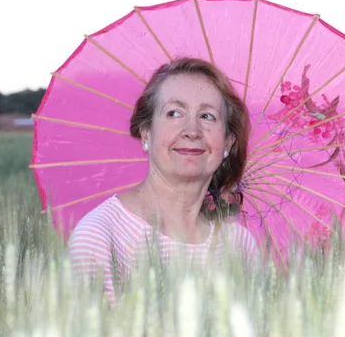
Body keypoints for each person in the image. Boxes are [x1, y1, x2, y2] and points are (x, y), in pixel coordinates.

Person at [67, 57, 260, 305]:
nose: (192, 130)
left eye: (207, 116)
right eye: (174, 113)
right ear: (146, 132)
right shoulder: (100, 237)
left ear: (228, 143)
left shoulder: (239, 246)